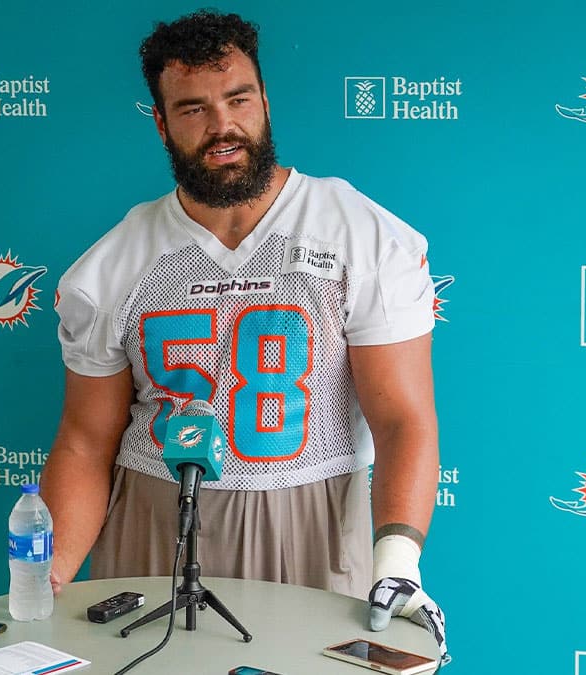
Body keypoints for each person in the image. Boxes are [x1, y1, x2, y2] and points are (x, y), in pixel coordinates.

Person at [41, 10, 449, 664]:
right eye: (194, 108)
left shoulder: (359, 235)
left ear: (264, 101)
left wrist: (398, 558)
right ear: (162, 122)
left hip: (311, 522)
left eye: (237, 99)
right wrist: (48, 576)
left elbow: (402, 418)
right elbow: (87, 440)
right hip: (153, 519)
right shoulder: (112, 265)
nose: (222, 125)